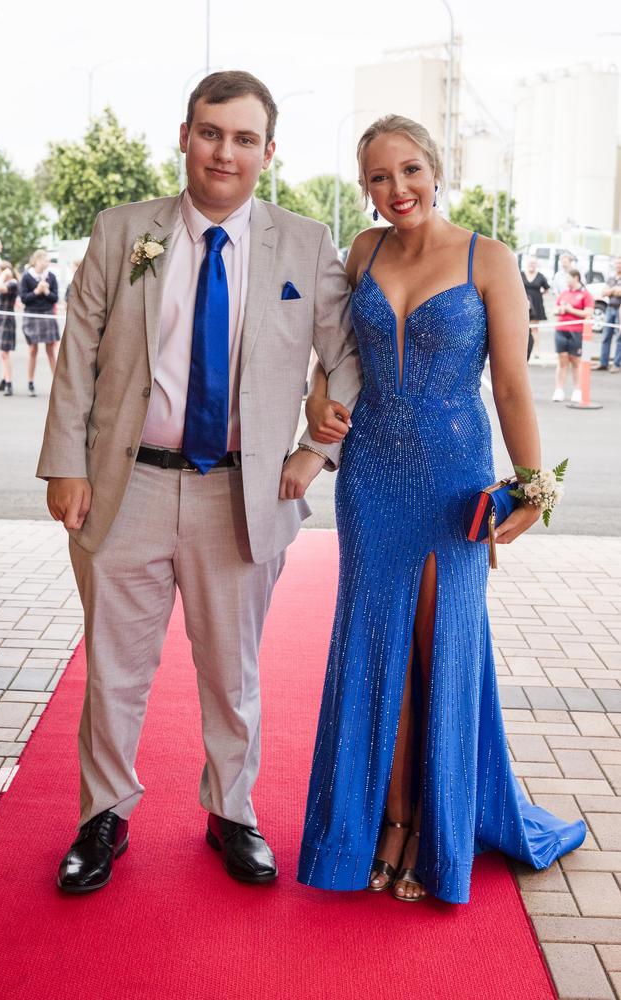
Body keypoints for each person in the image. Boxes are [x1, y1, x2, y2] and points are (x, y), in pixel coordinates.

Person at [36, 70, 361, 895]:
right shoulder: (121, 232)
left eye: (244, 138)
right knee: (114, 668)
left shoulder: (305, 242)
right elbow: (78, 354)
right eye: (212, 132)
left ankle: (232, 810)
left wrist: (311, 453)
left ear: (268, 151)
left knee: (234, 669)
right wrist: (67, 464)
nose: (226, 151)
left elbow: (347, 357)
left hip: (244, 496)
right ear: (185, 136)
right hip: (126, 487)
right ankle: (102, 815)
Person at [297, 114, 585, 904]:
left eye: (412, 170)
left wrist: (533, 486)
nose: (399, 190)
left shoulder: (488, 258)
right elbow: (334, 363)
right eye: (381, 178)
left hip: (455, 477)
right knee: (375, 644)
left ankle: (432, 824)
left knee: (437, 647)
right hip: (370, 475)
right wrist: (319, 405)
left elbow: (513, 386)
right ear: (366, 187)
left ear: (438, 168)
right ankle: (385, 822)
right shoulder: (362, 251)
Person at [20, 249, 59, 397]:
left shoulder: (51, 277)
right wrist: (36, 291)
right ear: (37, 260)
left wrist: (47, 292)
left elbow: (55, 298)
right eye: (45, 260)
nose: (47, 263)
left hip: (48, 314)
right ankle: (30, 382)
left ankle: (57, 384)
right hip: (32, 314)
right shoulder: (26, 277)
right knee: (32, 350)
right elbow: (24, 298)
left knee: (50, 350)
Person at [552, 269, 594, 403]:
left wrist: (571, 310)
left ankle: (577, 390)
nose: (566, 281)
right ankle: (559, 390)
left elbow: (588, 313)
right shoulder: (564, 293)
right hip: (561, 329)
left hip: (576, 331)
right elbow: (554, 309)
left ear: (576, 278)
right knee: (562, 360)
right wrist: (560, 310)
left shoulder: (585, 294)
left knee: (575, 361)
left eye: (568, 278)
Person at [0, 262, 20, 396]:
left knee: (5, 353)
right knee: (2, 353)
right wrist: (2, 275)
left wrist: (4, 274)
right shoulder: (5, 283)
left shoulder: (12, 283)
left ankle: (9, 383)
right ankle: (4, 380)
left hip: (6, 321)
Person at [595, 256, 621, 372]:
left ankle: (617, 363)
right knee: (606, 336)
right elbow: (604, 292)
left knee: (619, 337)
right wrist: (614, 290)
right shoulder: (611, 279)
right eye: (617, 263)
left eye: (620, 263)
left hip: (619, 309)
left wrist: (613, 291)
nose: (618, 265)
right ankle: (603, 362)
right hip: (610, 309)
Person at [521, 256, 549, 360]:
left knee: (534, 328)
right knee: (522, 327)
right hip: (523, 303)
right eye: (530, 263)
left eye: (534, 263)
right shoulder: (521, 274)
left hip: (536, 304)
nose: (532, 265)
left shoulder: (540, 276)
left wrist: (539, 294)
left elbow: (546, 289)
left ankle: (536, 350)